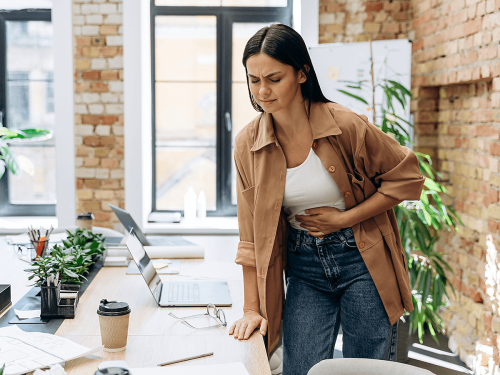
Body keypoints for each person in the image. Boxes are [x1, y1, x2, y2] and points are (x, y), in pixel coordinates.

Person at [228, 23, 425, 375]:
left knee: (366, 369)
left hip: (362, 260)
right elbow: (251, 238)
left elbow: (407, 178)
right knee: (299, 369)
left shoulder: (346, 125)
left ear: (302, 73)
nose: (262, 91)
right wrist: (250, 309)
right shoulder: (248, 145)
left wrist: (345, 219)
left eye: (274, 78)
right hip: (304, 267)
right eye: (254, 80)